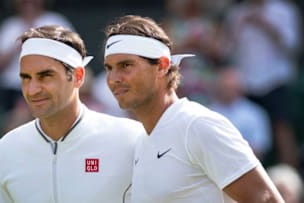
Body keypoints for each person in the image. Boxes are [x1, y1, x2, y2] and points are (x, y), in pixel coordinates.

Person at [103, 15, 284, 203]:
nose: (113, 78)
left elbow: (266, 199)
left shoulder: (198, 125)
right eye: (109, 68)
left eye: (126, 65)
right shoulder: (141, 142)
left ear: (162, 66)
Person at [0, 25, 143, 203]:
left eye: (45, 76)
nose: (32, 90)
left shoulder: (130, 138)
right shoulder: (8, 147)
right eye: (26, 78)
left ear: (78, 76)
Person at [224, 0, 302, 167]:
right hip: (246, 82)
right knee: (246, 133)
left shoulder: (284, 10)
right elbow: (228, 51)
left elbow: (292, 46)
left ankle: (291, 178)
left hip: (276, 79)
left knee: (282, 129)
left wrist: (264, 24)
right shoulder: (236, 14)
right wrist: (238, 28)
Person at [0, 0, 75, 111]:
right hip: (13, 91)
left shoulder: (55, 21)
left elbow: (73, 55)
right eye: (24, 2)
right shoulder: (9, 26)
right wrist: (20, 44)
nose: (29, 4)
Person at [209, 65, 272, 162]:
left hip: (247, 167)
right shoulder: (208, 112)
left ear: (240, 88)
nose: (227, 91)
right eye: (224, 87)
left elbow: (259, 149)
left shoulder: (254, 113)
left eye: (231, 87)